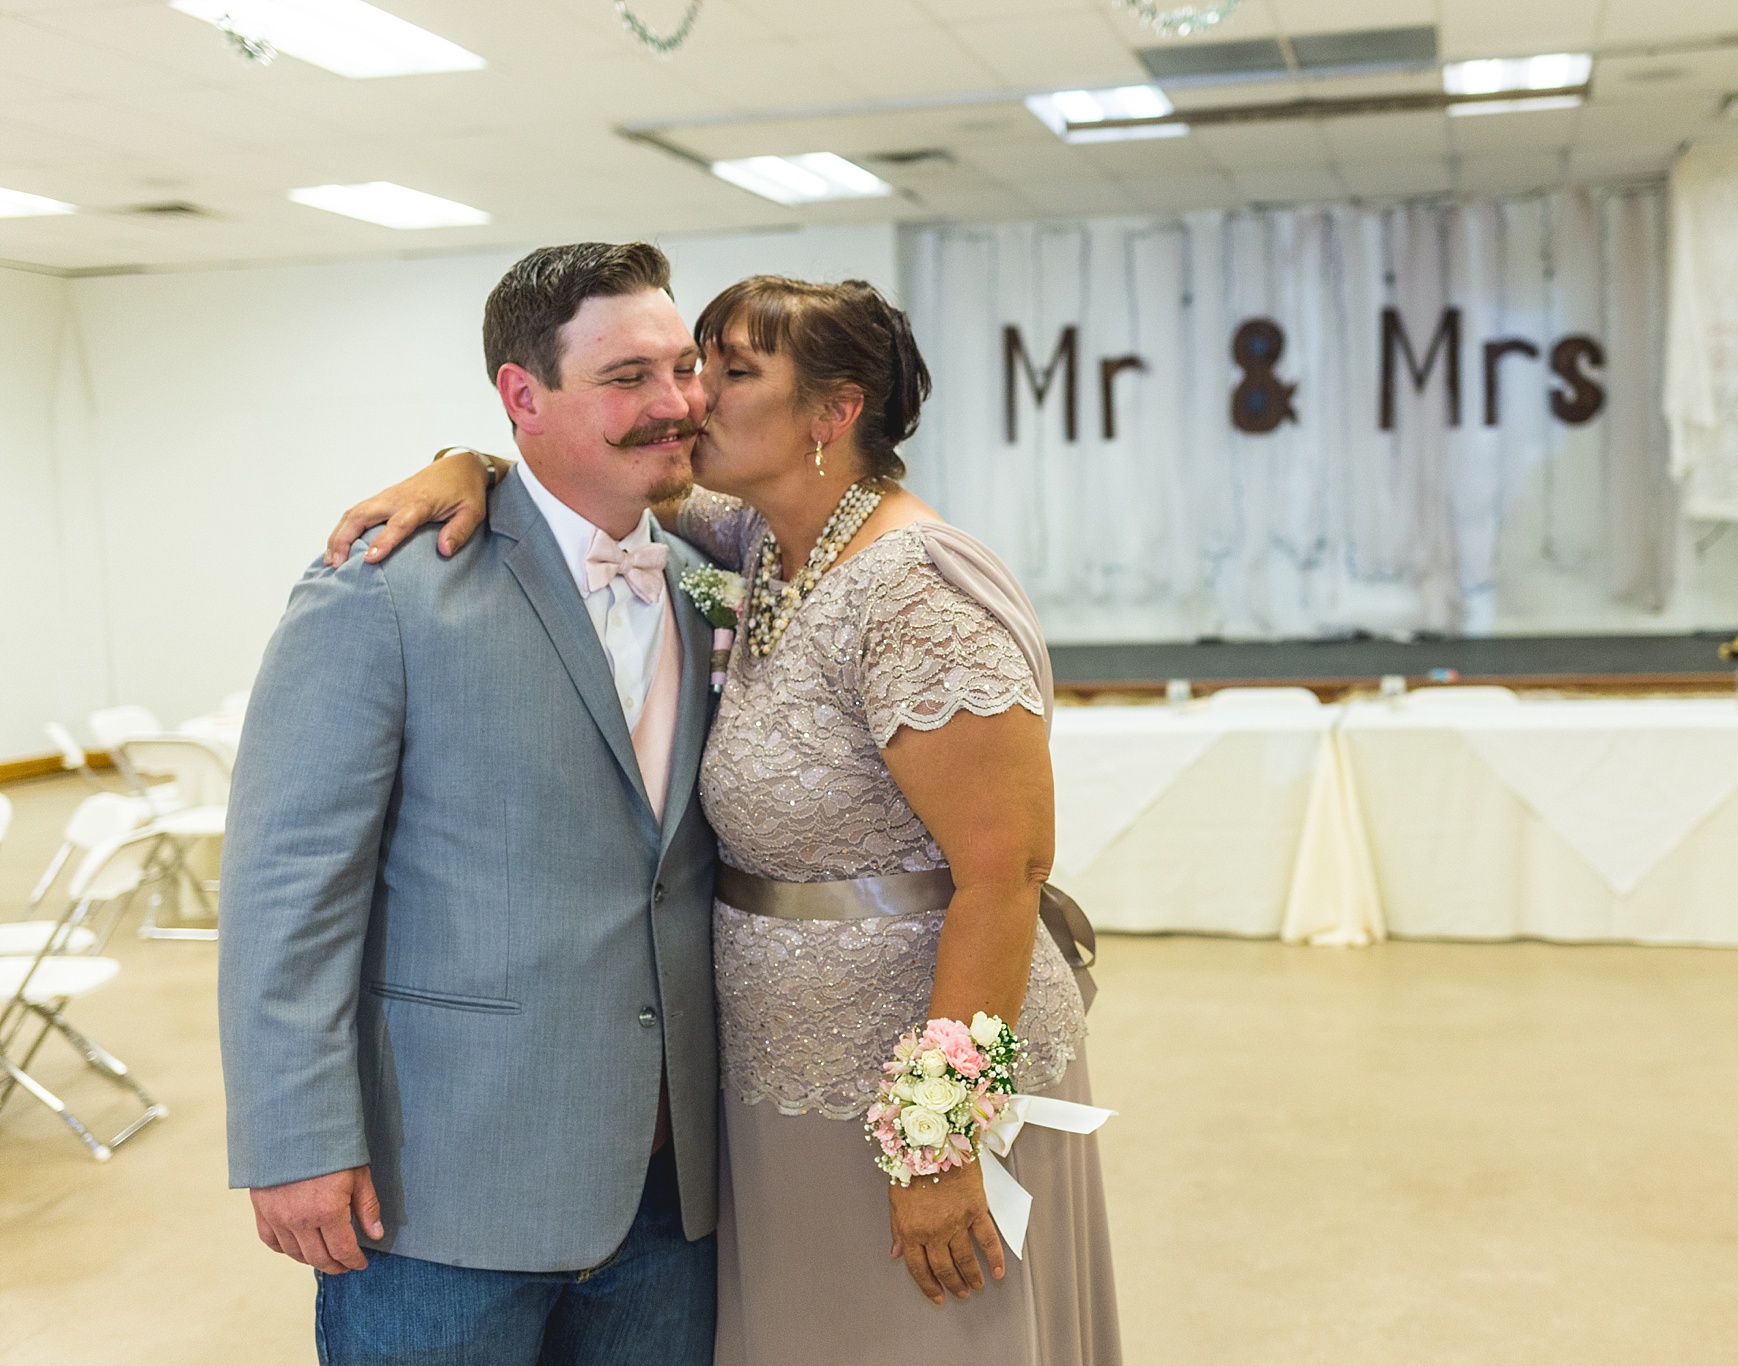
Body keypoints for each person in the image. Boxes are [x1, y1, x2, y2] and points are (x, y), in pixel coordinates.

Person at [327, 275, 1122, 1364]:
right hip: (774, 1089)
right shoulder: (758, 542)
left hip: (911, 1088)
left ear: (832, 414)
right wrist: (470, 464)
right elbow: (589, 474)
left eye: (729, 370)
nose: (690, 397)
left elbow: (1006, 870)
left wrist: (939, 1136)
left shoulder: (917, 587)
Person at [220, 241, 721, 1365]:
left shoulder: (706, 580)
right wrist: (293, 1138)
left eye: (682, 368)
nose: (674, 402)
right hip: (443, 1188)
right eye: (626, 377)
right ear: (520, 396)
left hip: (671, 1187)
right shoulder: (384, 591)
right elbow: (285, 886)